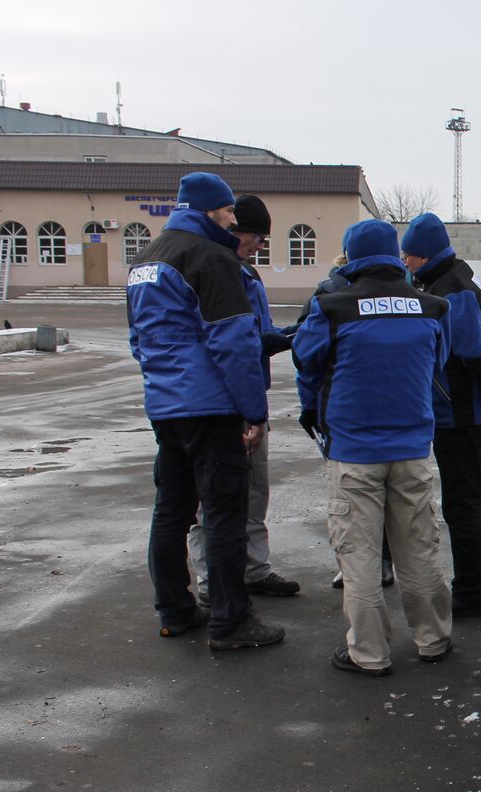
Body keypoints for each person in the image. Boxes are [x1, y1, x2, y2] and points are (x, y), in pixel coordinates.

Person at [292, 219, 460, 676]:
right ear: (393, 254)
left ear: (351, 256)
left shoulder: (331, 307)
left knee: (360, 556)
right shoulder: (432, 308)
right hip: (413, 448)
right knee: (419, 549)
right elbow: (437, 364)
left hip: (353, 452)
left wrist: (314, 414)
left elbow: (307, 364)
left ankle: (368, 653)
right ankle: (433, 640)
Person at [126, 172, 284, 651]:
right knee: (223, 512)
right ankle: (231, 621)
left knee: (171, 511)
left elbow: (138, 341)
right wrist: (252, 412)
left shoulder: (145, 261)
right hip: (211, 407)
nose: (234, 219)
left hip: (166, 405)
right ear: (209, 210)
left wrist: (165, 384)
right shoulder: (212, 259)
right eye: (229, 210)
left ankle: (175, 610)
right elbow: (233, 342)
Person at [187, 194, 301, 605]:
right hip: (222, 403)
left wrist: (287, 334)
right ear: (235, 231)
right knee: (213, 502)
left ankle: (253, 569)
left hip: (250, 396)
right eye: (257, 237)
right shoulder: (216, 269)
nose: (260, 245)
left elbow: (254, 333)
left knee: (254, 492)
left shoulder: (248, 274)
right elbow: (229, 343)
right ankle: (210, 585)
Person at [401, 213, 481, 617]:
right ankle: (476, 582)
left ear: (426, 255)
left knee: (462, 504)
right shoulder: (451, 280)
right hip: (459, 410)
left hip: (461, 413)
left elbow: (476, 354)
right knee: (463, 501)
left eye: (410, 255)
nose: (406, 261)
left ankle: (473, 588)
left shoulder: (453, 289)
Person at [300, 247, 395, 591]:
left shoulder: (327, 298)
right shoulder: (397, 294)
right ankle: (382, 563)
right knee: (390, 500)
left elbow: (306, 360)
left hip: (343, 422)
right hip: (395, 419)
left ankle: (356, 569)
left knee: (350, 502)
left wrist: (310, 409)